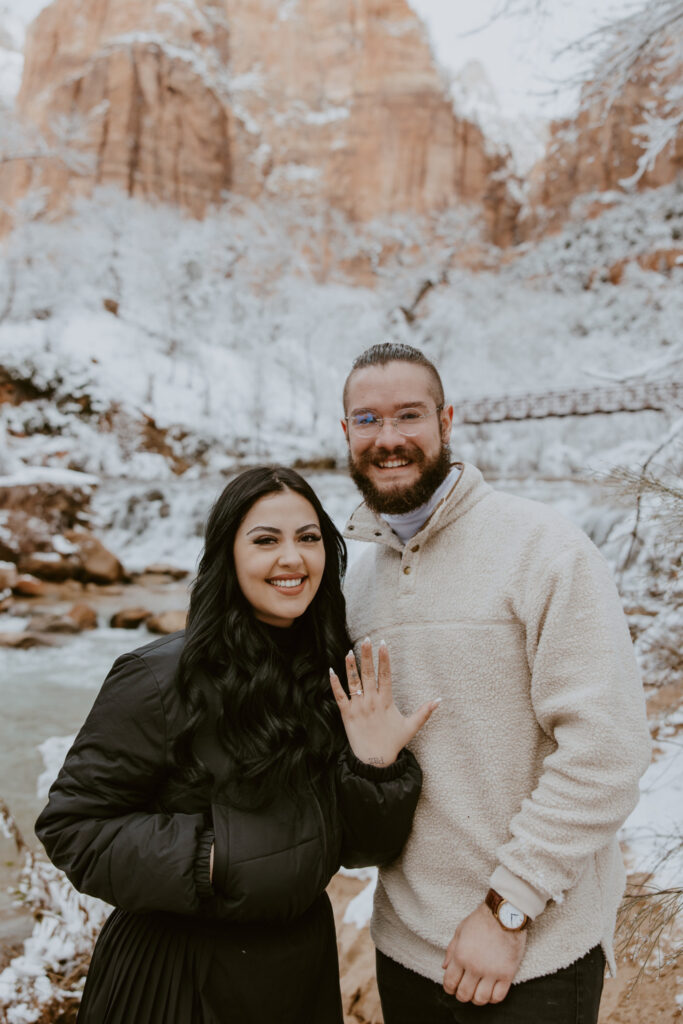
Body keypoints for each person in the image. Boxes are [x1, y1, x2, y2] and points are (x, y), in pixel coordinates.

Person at [36, 465, 438, 1024]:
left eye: (308, 538)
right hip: (177, 977)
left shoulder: (330, 674)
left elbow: (361, 850)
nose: (292, 559)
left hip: (299, 976)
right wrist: (211, 858)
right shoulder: (158, 678)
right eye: (266, 541)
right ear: (227, 555)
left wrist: (375, 765)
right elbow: (73, 828)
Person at [340, 342, 652, 1023]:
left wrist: (506, 910)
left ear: (446, 422)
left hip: (533, 951)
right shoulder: (357, 583)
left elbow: (608, 753)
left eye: (408, 416)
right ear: (345, 433)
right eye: (366, 420)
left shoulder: (544, 548)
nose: (387, 439)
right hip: (403, 947)